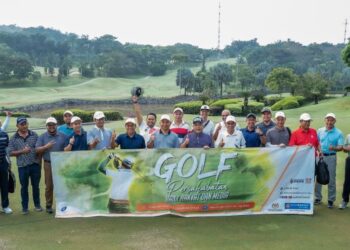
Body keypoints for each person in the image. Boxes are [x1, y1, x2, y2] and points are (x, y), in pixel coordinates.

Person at [8, 117, 42, 214]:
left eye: (25, 123)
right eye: (22, 124)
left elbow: (38, 148)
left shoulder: (34, 135)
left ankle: (37, 205)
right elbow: (10, 152)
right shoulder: (13, 138)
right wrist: (22, 151)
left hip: (35, 165)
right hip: (22, 167)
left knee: (36, 186)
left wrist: (39, 160)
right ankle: (25, 208)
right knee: (24, 187)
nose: (24, 126)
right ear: (17, 126)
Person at [35, 117, 67, 213]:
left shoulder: (63, 136)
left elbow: (67, 149)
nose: (51, 127)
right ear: (46, 126)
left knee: (62, 184)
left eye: (53, 124)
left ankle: (62, 204)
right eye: (49, 125)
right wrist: (46, 147)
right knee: (49, 185)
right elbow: (37, 150)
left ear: (56, 125)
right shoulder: (42, 137)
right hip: (48, 163)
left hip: (61, 163)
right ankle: (49, 205)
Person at [315, 113, 344, 208]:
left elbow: (340, 147)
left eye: (332, 120)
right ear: (325, 120)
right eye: (328, 120)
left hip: (331, 157)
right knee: (319, 176)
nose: (329, 122)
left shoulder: (338, 133)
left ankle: (331, 199)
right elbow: (317, 143)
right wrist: (319, 151)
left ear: (334, 121)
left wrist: (334, 148)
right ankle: (318, 197)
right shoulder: (320, 131)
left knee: (331, 178)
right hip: (321, 156)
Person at [0, 129, 12, 214]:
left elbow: (7, 148)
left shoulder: (4, 134)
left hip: (3, 162)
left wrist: (9, 161)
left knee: (4, 184)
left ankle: (5, 206)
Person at [339, 133, 350, 209]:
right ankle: (345, 200)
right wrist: (346, 148)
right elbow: (344, 149)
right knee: (348, 181)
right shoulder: (349, 136)